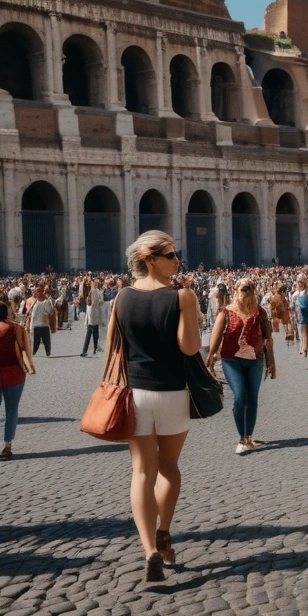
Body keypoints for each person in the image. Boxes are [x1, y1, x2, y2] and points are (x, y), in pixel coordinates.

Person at [114, 231, 201, 581]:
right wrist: (189, 307)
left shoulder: (120, 297)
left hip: (136, 392)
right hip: (172, 392)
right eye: (169, 254)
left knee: (141, 472)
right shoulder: (182, 295)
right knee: (169, 466)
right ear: (149, 259)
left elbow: (115, 347)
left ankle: (149, 548)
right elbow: (190, 347)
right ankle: (164, 532)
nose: (176, 259)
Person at [206, 279, 275, 454]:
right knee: (240, 396)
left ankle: (248, 437)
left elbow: (268, 339)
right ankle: (241, 437)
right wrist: (210, 357)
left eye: (250, 289)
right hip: (231, 360)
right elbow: (216, 335)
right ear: (236, 290)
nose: (246, 293)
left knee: (252, 399)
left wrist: (272, 362)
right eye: (243, 289)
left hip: (255, 360)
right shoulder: (226, 312)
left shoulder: (260, 312)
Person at [0, 301, 34, 458]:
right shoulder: (17, 328)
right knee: (11, 410)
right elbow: (25, 348)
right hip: (14, 374)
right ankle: (8, 445)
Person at [25, 284, 56, 357]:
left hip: (44, 325)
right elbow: (31, 315)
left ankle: (48, 353)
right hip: (35, 325)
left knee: (46, 341)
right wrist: (29, 326)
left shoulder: (46, 302)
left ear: (42, 292)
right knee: (36, 342)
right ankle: (33, 353)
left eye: (38, 291)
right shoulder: (34, 302)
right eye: (35, 292)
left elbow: (50, 311)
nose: (36, 293)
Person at [80, 277, 105, 357]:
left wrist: (97, 303)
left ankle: (88, 349)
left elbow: (98, 302)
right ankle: (92, 348)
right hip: (92, 313)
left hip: (93, 314)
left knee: (92, 332)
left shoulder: (96, 291)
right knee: (94, 331)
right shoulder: (91, 291)